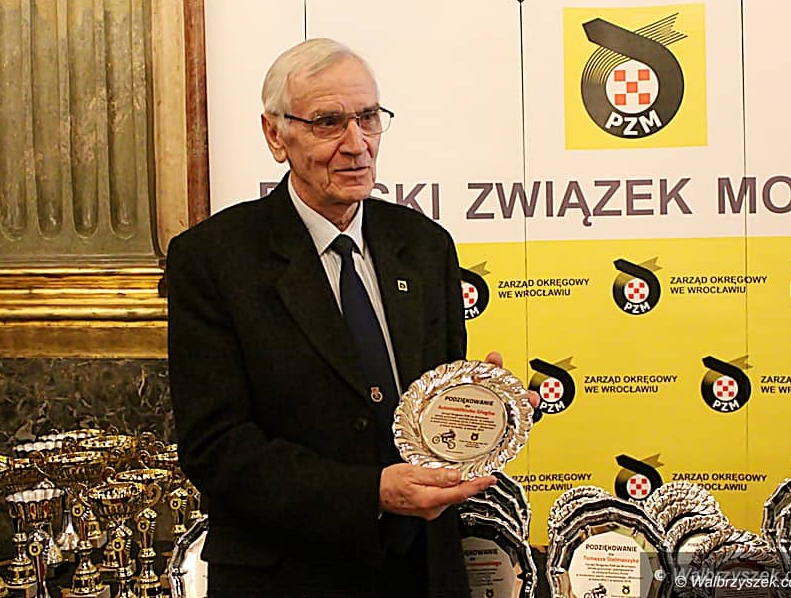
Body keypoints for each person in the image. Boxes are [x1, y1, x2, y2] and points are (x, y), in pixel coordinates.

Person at [167, 38, 538, 598]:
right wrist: (371, 493)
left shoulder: (424, 245)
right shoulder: (213, 259)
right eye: (328, 123)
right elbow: (215, 448)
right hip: (289, 578)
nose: (357, 144)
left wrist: (485, 414)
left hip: (423, 573)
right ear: (275, 135)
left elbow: (429, 419)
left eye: (368, 118)